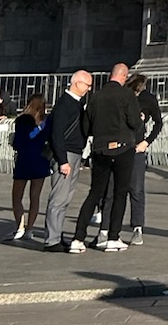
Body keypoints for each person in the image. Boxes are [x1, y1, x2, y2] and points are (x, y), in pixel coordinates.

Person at [69, 62, 146, 252]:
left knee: (95, 193)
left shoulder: (96, 96)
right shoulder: (127, 95)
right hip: (123, 148)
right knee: (120, 193)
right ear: (124, 76)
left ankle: (78, 238)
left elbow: (86, 127)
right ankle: (113, 237)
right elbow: (135, 123)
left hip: (101, 149)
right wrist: (139, 120)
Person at [42, 70, 91, 250]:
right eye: (87, 85)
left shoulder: (76, 104)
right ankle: (52, 240)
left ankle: (57, 234)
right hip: (67, 154)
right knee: (59, 197)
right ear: (76, 83)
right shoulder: (64, 104)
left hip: (75, 152)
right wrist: (63, 160)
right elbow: (57, 134)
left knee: (66, 197)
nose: (88, 89)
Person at [126, 73, 162, 244]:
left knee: (136, 188)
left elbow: (158, 122)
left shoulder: (148, 99)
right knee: (113, 189)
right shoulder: (124, 96)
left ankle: (137, 227)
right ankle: (108, 228)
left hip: (138, 147)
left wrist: (147, 142)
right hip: (121, 145)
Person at [10, 95, 50, 240]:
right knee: (35, 196)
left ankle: (19, 225)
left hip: (24, 160)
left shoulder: (22, 120)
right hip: (40, 159)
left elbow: (19, 142)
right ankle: (30, 228)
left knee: (17, 196)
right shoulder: (46, 121)